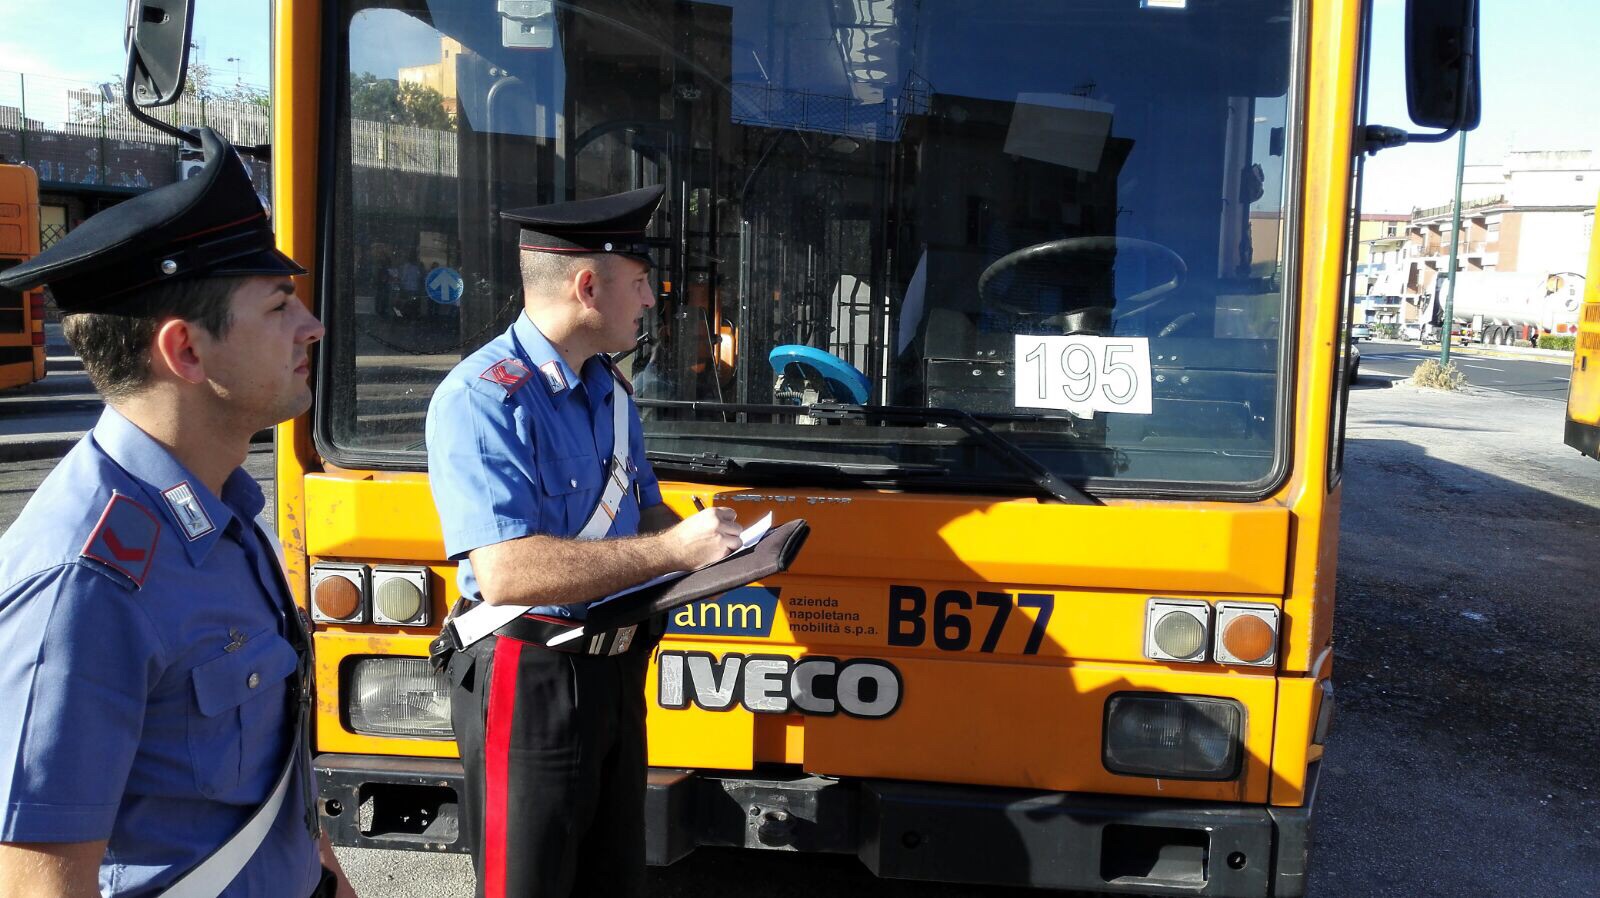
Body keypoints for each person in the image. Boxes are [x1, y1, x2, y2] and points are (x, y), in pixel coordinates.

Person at [0, 128, 355, 898]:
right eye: (278, 305)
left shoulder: (219, 508)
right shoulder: (88, 582)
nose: (311, 326)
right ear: (186, 353)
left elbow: (248, 765)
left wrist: (318, 869)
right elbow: (39, 884)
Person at [425, 184, 742, 897]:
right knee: (529, 884)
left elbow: (645, 515)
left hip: (614, 674)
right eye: (641, 284)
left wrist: (729, 544)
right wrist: (673, 551)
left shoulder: (609, 390)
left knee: (612, 881)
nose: (652, 301)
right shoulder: (484, 398)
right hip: (529, 676)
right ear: (588, 285)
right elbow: (506, 573)